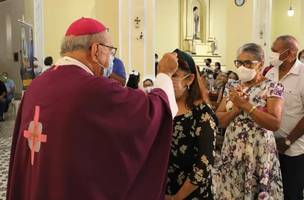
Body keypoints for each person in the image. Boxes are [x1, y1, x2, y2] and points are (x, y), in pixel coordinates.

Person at [6, 17, 179, 200]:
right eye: (110, 51)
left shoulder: (36, 86)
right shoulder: (93, 89)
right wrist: (165, 74)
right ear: (96, 50)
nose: (111, 58)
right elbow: (152, 111)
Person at [215, 43, 284, 199]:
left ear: (260, 64)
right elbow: (219, 120)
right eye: (239, 62)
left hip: (259, 151)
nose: (242, 67)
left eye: (247, 63)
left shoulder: (272, 87)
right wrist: (235, 110)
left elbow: (274, 123)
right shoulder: (232, 86)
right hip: (233, 149)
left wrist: (246, 105)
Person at [165, 49, 217, 200]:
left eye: (174, 76)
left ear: (189, 79)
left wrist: (177, 198)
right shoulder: (162, 107)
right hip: (163, 188)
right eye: (165, 75)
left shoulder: (202, 114)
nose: (168, 80)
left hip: (190, 193)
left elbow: (204, 163)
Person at [266, 35, 304, 200]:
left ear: (290, 54)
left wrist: (288, 141)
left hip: (294, 149)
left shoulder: (302, 75)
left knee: (291, 193)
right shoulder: (269, 73)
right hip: (268, 145)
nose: (271, 54)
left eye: (275, 51)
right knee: (269, 192)